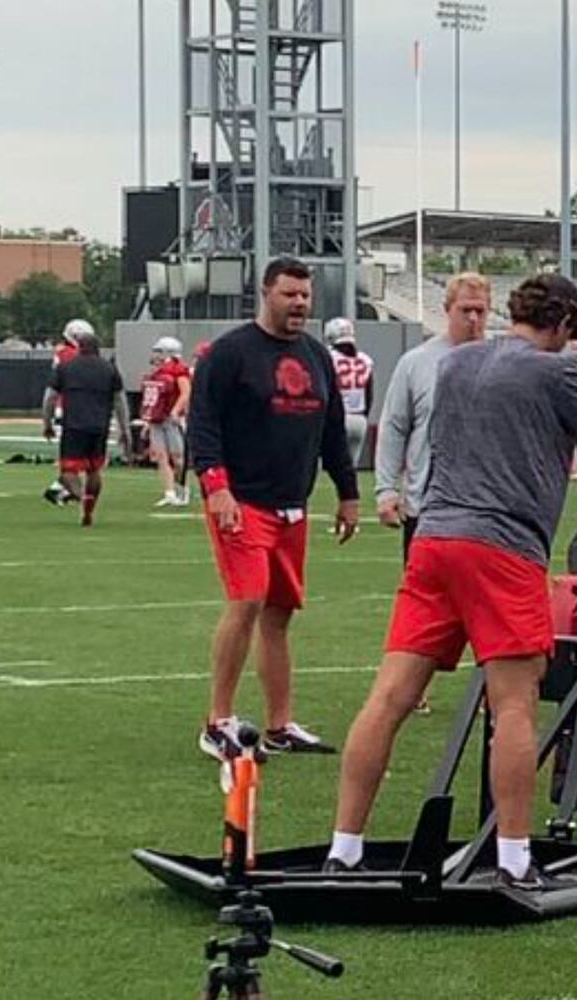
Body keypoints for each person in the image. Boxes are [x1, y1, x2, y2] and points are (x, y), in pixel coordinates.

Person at [325, 274, 577, 888]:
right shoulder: (555, 371)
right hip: (501, 547)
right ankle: (515, 858)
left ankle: (344, 846)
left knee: (389, 697)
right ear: (563, 323)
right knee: (513, 702)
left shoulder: (455, 364)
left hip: (433, 539)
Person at [187, 257, 361, 760]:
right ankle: (217, 721)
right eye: (289, 294)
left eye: (305, 295)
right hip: (243, 501)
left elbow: (331, 430)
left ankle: (279, 725)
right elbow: (203, 423)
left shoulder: (316, 355)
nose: (299, 303)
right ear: (267, 293)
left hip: (293, 504)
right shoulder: (231, 352)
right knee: (247, 600)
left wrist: (347, 493)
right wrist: (216, 487)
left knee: (280, 614)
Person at [375, 272, 492, 557]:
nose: (474, 319)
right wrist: (386, 490)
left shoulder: (503, 362)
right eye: (466, 310)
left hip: (487, 508)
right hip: (427, 507)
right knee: (425, 596)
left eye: (480, 310)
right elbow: (394, 426)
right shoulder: (417, 362)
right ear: (447, 309)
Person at [40, 329, 129, 527]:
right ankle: (89, 510)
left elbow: (50, 398)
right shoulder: (109, 369)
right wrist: (125, 430)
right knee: (94, 470)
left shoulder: (66, 367)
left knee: (69, 471)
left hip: (74, 425)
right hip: (100, 427)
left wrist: (46, 423)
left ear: (79, 347)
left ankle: (81, 498)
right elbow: (120, 402)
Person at [42, 319, 93, 507]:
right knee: (73, 458)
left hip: (71, 408)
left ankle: (57, 490)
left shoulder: (65, 353)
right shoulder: (69, 355)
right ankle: (78, 496)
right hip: (70, 409)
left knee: (75, 457)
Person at [141, 336, 193, 507]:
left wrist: (175, 411)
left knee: (178, 458)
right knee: (161, 457)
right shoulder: (157, 372)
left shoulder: (178, 370)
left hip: (173, 419)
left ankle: (181, 488)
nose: (155, 355)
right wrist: (148, 421)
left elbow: (186, 393)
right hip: (157, 418)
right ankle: (169, 493)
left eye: (158, 351)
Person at [325, 317, 375, 466]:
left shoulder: (328, 358)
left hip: (337, 418)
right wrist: (364, 417)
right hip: (359, 418)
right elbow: (369, 394)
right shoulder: (365, 360)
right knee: (350, 470)